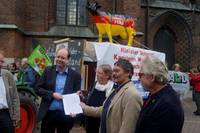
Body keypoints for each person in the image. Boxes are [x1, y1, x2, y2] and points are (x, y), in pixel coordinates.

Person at [80, 59, 143, 133]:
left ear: (128, 73)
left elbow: (127, 128)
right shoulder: (115, 90)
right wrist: (84, 108)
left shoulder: (132, 95)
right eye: (113, 71)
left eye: (117, 71)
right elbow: (103, 110)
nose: (113, 74)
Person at [35, 48, 81, 133]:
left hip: (65, 115)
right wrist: (52, 94)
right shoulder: (48, 71)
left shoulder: (75, 76)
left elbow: (77, 95)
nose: (59, 59)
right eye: (58, 57)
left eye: (63, 58)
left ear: (68, 60)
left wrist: (78, 96)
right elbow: (37, 89)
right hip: (48, 113)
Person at [135, 55, 184, 133]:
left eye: (140, 75)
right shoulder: (155, 94)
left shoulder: (168, 104)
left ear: (152, 77)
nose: (139, 78)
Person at [85, 64, 113, 133]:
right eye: (97, 72)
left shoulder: (112, 88)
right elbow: (89, 99)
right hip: (90, 120)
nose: (97, 74)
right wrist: (82, 97)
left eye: (100, 73)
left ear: (107, 76)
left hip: (102, 123)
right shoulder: (95, 84)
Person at [0, 50, 20, 133]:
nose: (0, 64)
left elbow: (15, 97)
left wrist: (16, 116)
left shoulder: (8, 75)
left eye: (1, 61)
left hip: (5, 114)